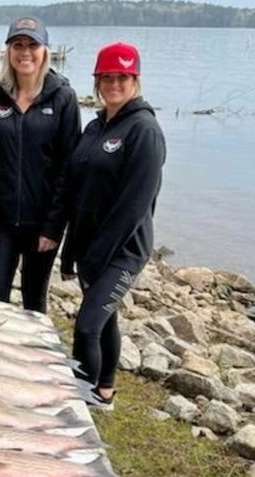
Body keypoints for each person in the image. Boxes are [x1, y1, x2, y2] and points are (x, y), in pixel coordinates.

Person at [59, 42, 167, 409]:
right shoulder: (95, 127)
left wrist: (98, 256)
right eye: (107, 77)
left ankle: (82, 400)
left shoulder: (144, 131)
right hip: (90, 248)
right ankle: (105, 391)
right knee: (105, 321)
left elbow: (134, 205)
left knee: (87, 325)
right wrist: (70, 252)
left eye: (122, 77)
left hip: (122, 252)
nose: (114, 84)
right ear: (97, 81)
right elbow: (79, 194)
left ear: (135, 79)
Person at [0, 16, 81, 312]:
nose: (25, 52)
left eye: (33, 44)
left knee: (34, 303)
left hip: (41, 226)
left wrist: (54, 227)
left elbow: (67, 170)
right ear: (8, 50)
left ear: (45, 50)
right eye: (18, 44)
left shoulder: (63, 99)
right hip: (0, 225)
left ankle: (35, 357)